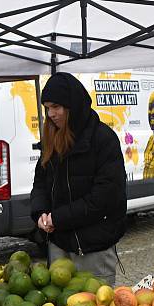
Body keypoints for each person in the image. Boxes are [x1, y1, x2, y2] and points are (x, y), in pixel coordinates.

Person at [30, 73, 127, 286]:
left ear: (72, 105)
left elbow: (105, 197)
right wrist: (40, 214)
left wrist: (58, 218)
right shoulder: (51, 138)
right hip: (58, 245)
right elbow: (40, 183)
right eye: (47, 107)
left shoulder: (104, 139)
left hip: (93, 248)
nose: (51, 114)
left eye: (56, 106)